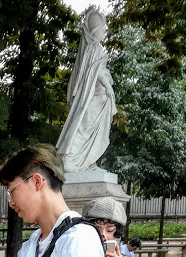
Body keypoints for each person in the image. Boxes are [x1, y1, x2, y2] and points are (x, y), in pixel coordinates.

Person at [55, 8, 116, 172]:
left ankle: (87, 162)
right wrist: (108, 86)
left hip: (96, 98)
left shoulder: (90, 49)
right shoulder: (94, 49)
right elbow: (96, 71)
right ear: (96, 31)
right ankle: (70, 159)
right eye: (103, 30)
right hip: (92, 98)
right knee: (83, 127)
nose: (104, 33)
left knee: (86, 129)